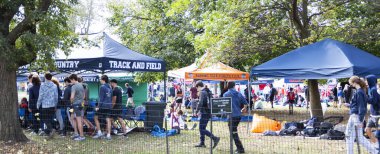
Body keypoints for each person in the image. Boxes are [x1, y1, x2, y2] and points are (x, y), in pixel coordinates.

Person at [345, 76, 377, 154]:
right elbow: (359, 105)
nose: (350, 85)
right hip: (356, 116)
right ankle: (374, 151)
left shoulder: (359, 92)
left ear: (355, 82)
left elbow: (361, 107)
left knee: (349, 136)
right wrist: (350, 105)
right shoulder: (361, 91)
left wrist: (360, 120)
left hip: (355, 117)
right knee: (359, 137)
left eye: (351, 83)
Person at [223, 81, 248, 153]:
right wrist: (244, 108)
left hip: (231, 116)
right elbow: (245, 103)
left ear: (228, 86)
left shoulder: (225, 94)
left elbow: (224, 105)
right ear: (234, 86)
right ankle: (238, 147)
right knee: (234, 132)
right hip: (238, 115)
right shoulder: (239, 93)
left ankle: (240, 149)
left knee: (233, 132)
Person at [195, 80, 220, 149]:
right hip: (208, 112)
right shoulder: (208, 91)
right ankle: (202, 143)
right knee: (202, 128)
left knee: (201, 128)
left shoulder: (202, 92)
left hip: (204, 112)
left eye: (196, 88)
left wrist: (196, 111)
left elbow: (200, 103)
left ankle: (215, 138)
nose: (197, 89)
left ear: (199, 86)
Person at [37, 73, 58, 139]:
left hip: (45, 105)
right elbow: (56, 96)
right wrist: (55, 105)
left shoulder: (42, 85)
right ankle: (49, 132)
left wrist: (38, 104)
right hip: (52, 105)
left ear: (45, 77)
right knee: (49, 119)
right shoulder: (54, 86)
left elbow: (40, 96)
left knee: (44, 119)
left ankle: (51, 130)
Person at [93, 75, 113, 140]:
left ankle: (99, 133)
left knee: (95, 117)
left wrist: (98, 106)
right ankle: (108, 135)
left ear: (103, 80)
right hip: (109, 105)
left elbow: (101, 98)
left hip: (103, 105)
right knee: (108, 119)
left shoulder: (102, 87)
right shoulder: (110, 86)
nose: (100, 80)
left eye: (100, 79)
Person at [69, 74, 86, 141]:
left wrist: (71, 101)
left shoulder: (74, 86)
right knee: (73, 118)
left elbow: (72, 97)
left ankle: (81, 136)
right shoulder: (81, 85)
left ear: (73, 79)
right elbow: (84, 96)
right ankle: (76, 133)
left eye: (71, 80)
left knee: (78, 120)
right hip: (81, 104)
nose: (71, 82)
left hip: (75, 104)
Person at [366, 75, 380, 148]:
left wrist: (366, 99)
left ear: (370, 80)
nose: (365, 82)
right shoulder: (371, 88)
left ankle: (378, 147)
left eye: (367, 80)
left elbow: (374, 101)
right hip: (372, 115)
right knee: (367, 130)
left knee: (378, 133)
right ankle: (376, 144)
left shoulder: (373, 89)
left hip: (377, 115)